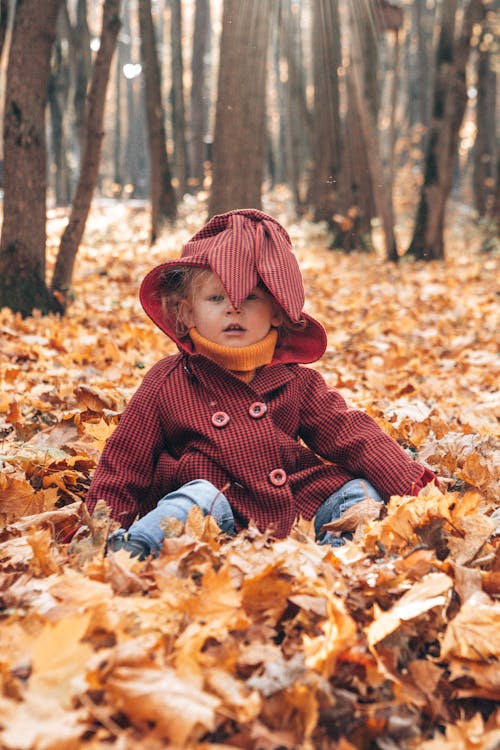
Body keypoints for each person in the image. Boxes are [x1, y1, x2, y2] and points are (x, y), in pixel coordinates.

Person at [85, 209, 436, 559]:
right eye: (216, 298)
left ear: (277, 311)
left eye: (249, 298)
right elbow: (124, 463)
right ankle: (131, 550)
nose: (233, 310)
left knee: (360, 493)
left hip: (291, 505)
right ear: (187, 312)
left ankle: (337, 561)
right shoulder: (169, 381)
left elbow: (352, 435)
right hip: (216, 507)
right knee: (191, 501)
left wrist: (413, 487)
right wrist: (101, 525)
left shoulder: (295, 380)